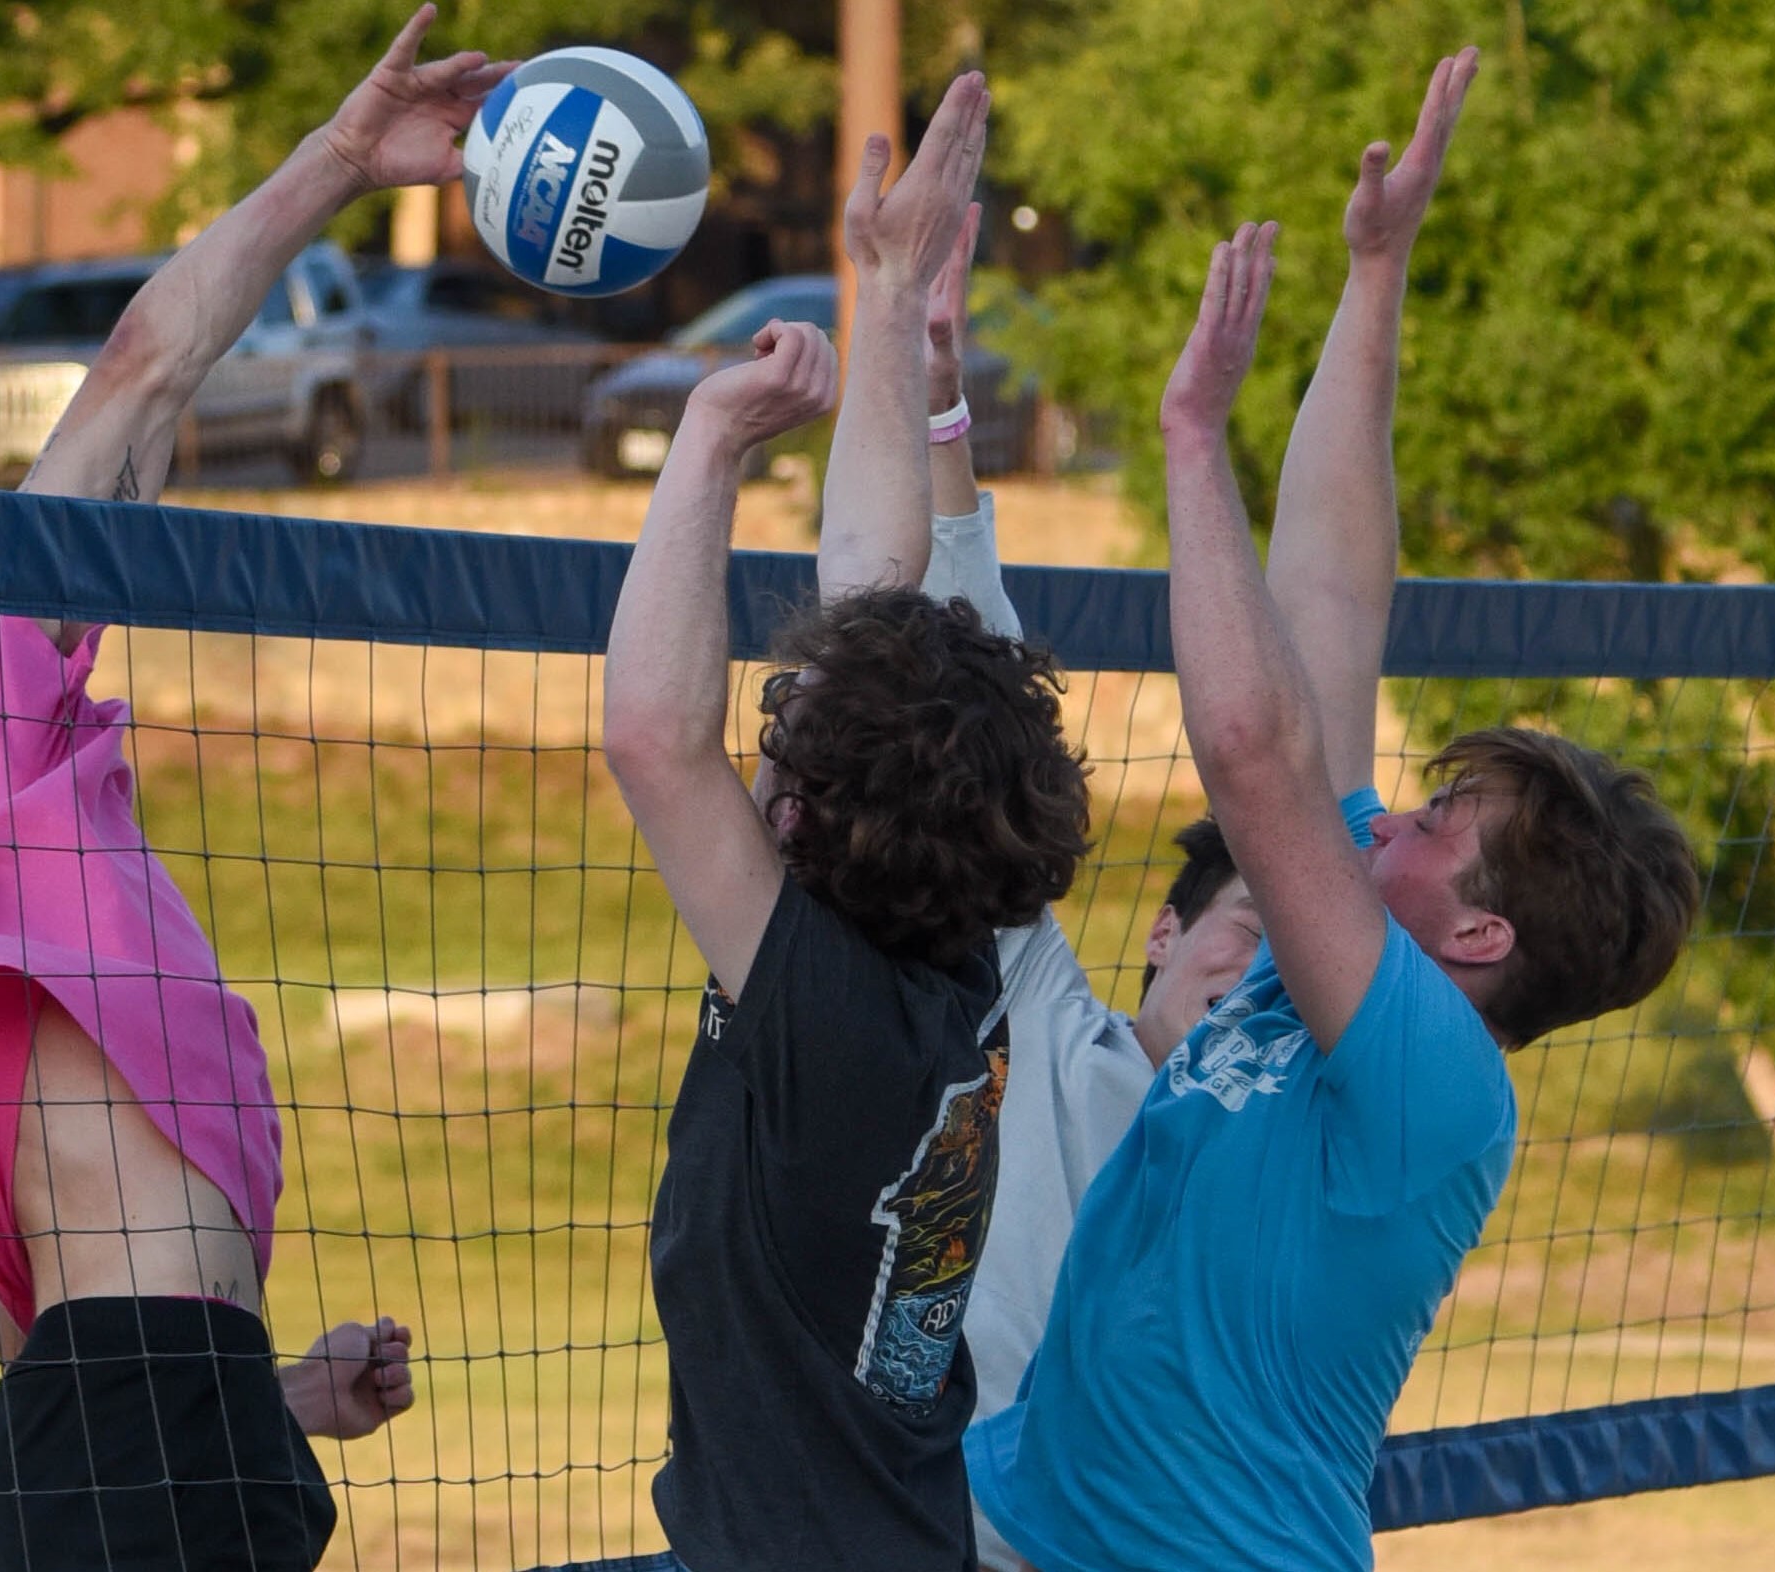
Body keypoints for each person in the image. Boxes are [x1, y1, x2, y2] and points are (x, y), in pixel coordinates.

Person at [0, 11, 506, 1568]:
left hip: (168, 1429)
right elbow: (142, 370)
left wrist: (276, 1400)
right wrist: (342, 159)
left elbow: (58, 1356)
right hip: (138, 1441)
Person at [963, 51, 1704, 1572]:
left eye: (1439, 820)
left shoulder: (1434, 1077)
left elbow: (1252, 746)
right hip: (1025, 1521)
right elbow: (1330, 598)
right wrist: (1378, 275)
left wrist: (1188, 442)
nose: (1390, 820)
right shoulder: (1352, 945)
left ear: (1480, 930)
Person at [598, 71, 1095, 1572]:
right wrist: (884, 294)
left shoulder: (839, 1022)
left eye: (784, 743)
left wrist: (709, 443)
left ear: (806, 818)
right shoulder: (950, 969)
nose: (759, 749)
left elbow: (650, 740)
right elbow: (875, 588)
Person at [830, 208, 1267, 1572]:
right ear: (1163, 931)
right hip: (916, 1526)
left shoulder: (1267, 1162)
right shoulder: (1039, 1023)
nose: (1259, 983)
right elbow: (967, 689)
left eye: (1292, 971)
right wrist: (941, 410)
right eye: (1247, 938)